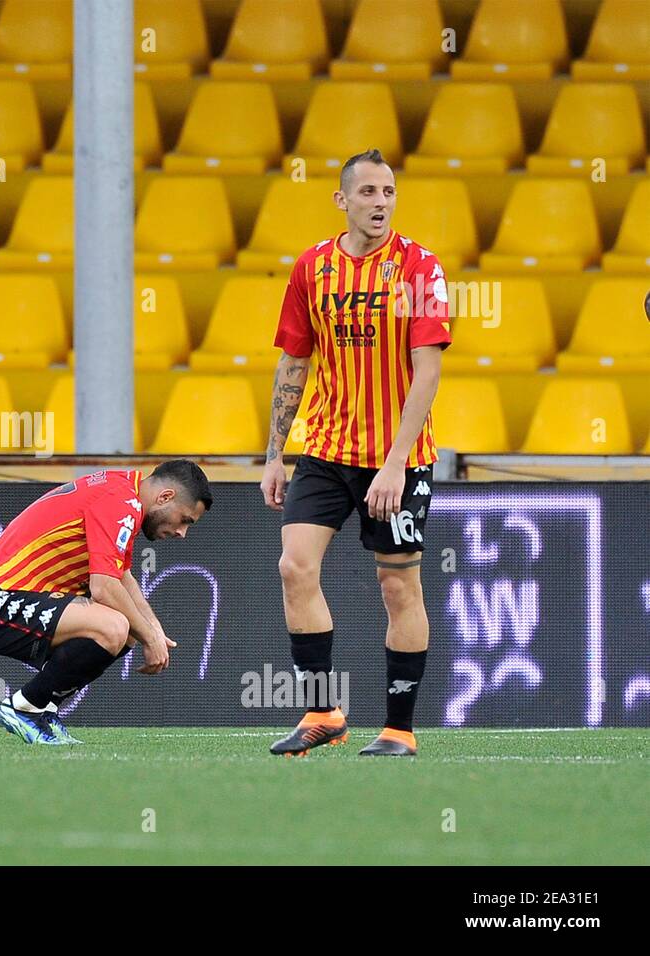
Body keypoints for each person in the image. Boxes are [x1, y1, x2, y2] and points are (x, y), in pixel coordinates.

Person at [259, 148, 451, 758]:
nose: (380, 203)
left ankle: (399, 729)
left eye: (388, 192)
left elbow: (427, 372)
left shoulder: (419, 269)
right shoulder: (312, 268)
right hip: (325, 450)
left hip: (399, 458)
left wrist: (395, 463)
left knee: (398, 587)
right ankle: (323, 711)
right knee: (294, 567)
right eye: (367, 192)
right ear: (342, 200)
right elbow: (294, 360)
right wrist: (273, 454)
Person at [0, 461, 212, 744]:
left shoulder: (124, 491)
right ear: (165, 497)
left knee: (128, 628)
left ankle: (43, 707)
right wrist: (149, 639)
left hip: (13, 598)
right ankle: (24, 707)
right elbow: (104, 587)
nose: (182, 533)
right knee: (115, 625)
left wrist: (151, 627)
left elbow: (122, 576)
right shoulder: (121, 501)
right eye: (185, 520)